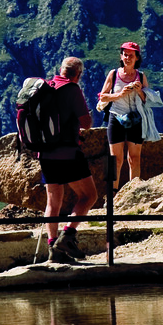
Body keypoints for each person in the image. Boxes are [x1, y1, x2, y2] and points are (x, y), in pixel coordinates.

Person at [40, 56, 97, 264]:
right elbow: (86, 123)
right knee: (89, 195)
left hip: (45, 153)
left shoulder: (45, 87)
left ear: (61, 70)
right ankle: (68, 236)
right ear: (78, 74)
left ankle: (53, 249)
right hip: (68, 152)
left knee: (53, 202)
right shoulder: (72, 89)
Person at [97, 41, 148, 191]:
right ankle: (112, 194)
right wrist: (119, 95)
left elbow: (147, 100)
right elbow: (102, 97)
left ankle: (134, 193)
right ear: (121, 56)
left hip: (136, 119)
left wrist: (139, 91)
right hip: (116, 117)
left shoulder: (141, 76)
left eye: (131, 55)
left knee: (134, 158)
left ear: (137, 58)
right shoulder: (113, 74)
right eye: (125, 55)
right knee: (115, 159)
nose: (127, 58)